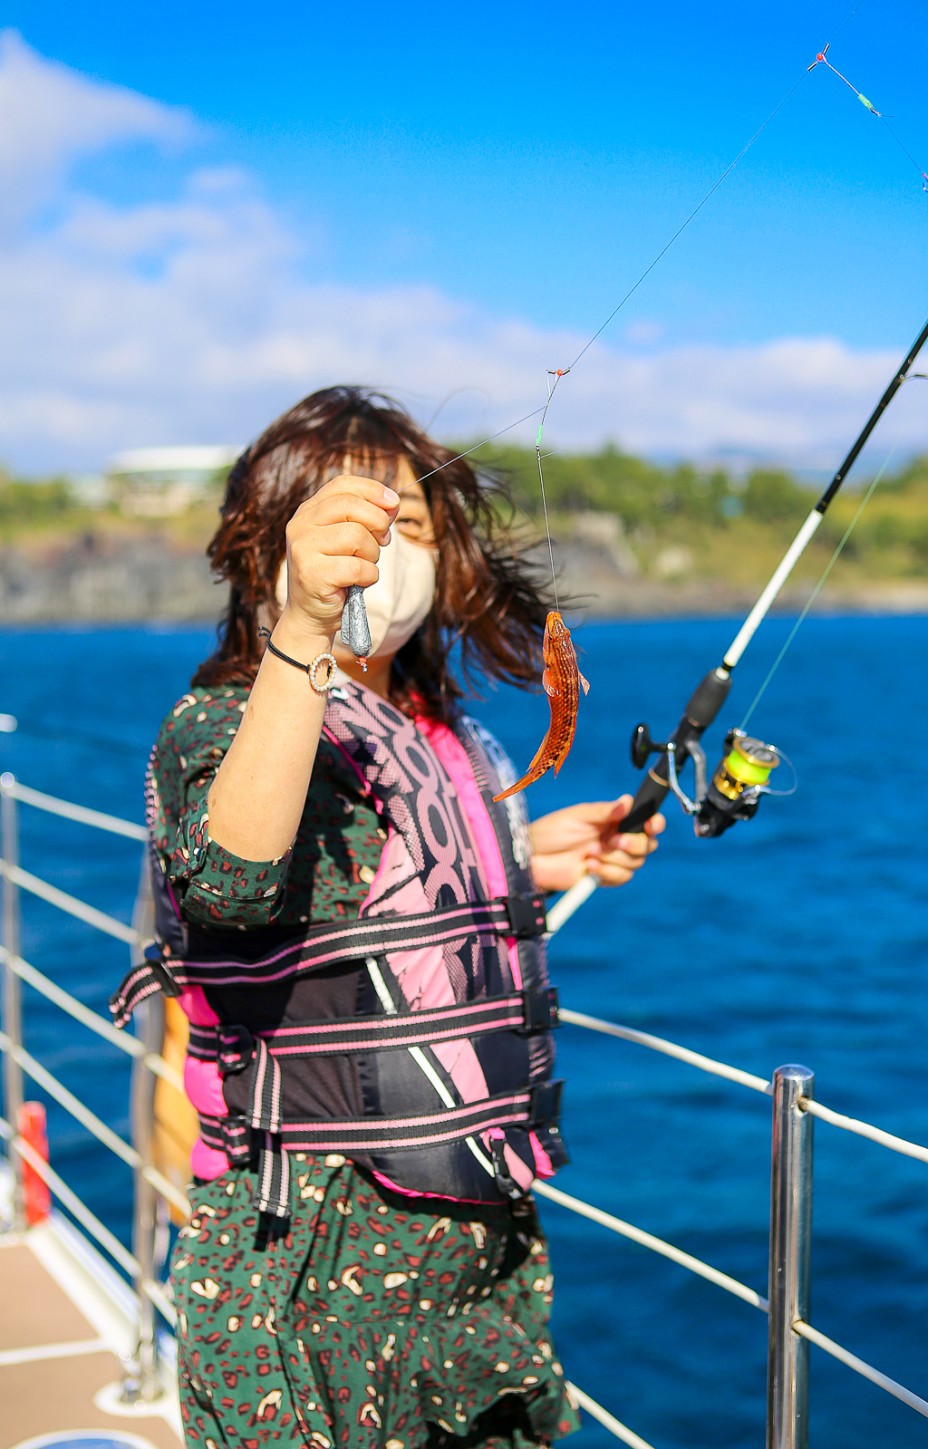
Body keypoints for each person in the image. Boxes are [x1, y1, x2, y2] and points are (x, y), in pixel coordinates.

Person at [113, 386, 664, 1448]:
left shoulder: (443, 734)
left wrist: (534, 858)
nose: (379, 550)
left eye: (407, 523)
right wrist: (308, 630)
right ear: (261, 551)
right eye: (342, 524)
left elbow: (383, 899)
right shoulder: (217, 723)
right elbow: (232, 880)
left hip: (477, 1241)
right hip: (305, 1255)